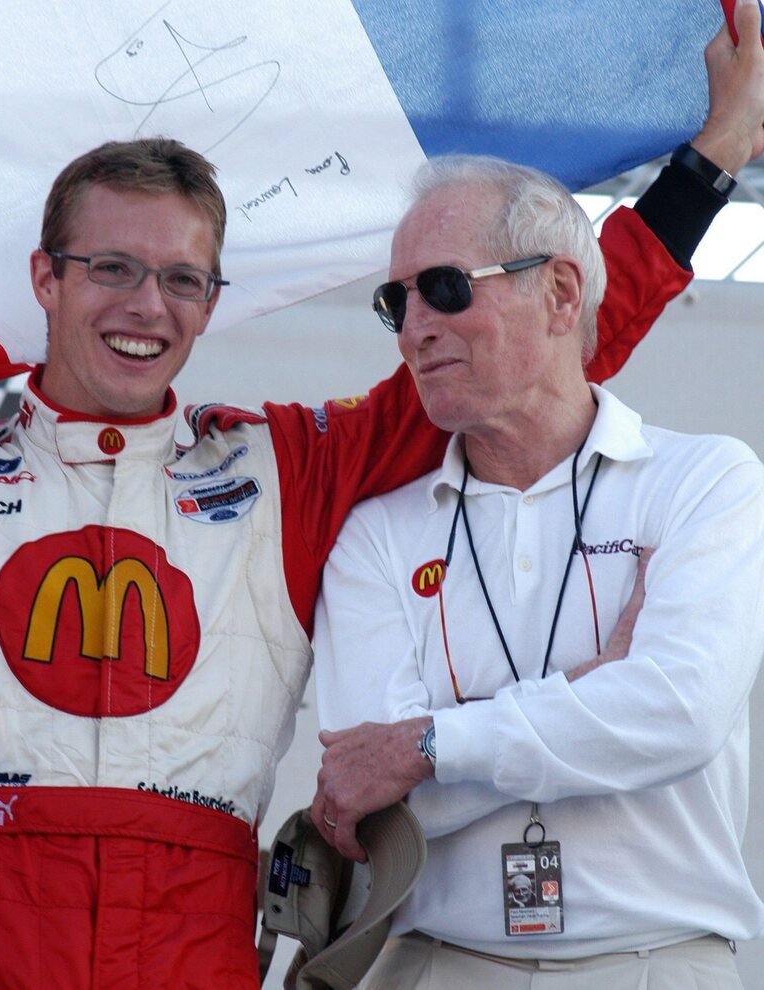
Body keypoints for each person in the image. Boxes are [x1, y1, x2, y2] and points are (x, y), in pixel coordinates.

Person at [0, 11, 759, 988]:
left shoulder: (281, 465)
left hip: (188, 944)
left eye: (183, 278)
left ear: (214, 300)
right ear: (42, 279)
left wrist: (711, 163)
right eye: (109, 268)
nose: (147, 305)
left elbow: (525, 356)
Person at [309, 10, 764, 989]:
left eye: (441, 287)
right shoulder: (375, 528)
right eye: (397, 302)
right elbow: (374, 796)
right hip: (433, 961)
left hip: (661, 962)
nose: (414, 327)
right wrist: (600, 684)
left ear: (562, 297)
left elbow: (678, 716)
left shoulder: (710, 481)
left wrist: (434, 739)